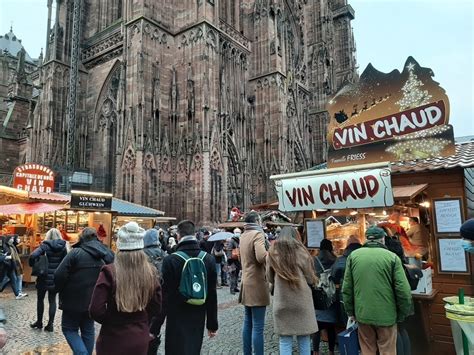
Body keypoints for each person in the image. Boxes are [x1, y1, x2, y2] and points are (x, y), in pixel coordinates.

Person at [89, 222, 162, 354]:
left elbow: (95, 309)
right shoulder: (151, 272)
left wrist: (112, 321)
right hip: (139, 337)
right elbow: (156, 306)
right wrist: (141, 320)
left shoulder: (109, 271)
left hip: (112, 338)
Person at [342, 226, 413, 355]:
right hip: (387, 315)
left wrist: (350, 312)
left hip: (362, 313)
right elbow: (403, 291)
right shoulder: (392, 258)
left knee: (367, 349)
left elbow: (346, 289)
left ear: (367, 239)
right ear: (383, 239)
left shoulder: (353, 256)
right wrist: (402, 313)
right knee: (387, 349)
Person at [159, 220, 218, 355]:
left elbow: (165, 297)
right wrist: (212, 324)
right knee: (193, 348)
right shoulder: (208, 259)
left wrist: (156, 326)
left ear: (178, 236)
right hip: (198, 315)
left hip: (176, 316)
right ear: (195, 234)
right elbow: (211, 293)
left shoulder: (170, 260)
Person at [55, 227, 114, 355]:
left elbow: (59, 275)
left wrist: (60, 289)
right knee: (88, 329)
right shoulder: (106, 254)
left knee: (69, 329)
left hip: (73, 300)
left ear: (82, 238)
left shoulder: (75, 253)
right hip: (95, 300)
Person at [267, 227, 318, 354]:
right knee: (304, 338)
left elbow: (269, 278)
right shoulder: (302, 252)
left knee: (284, 340)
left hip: (282, 302)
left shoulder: (272, 253)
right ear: (296, 237)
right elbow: (310, 279)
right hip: (302, 302)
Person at [239, 211, 270, 355]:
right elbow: (261, 256)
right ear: (257, 221)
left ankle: (247, 353)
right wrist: (273, 252)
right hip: (257, 283)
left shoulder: (243, 235)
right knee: (258, 326)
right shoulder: (258, 234)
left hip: (246, 282)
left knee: (248, 322)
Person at [29, 228, 67, 331]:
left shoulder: (45, 246)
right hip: (55, 278)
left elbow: (33, 255)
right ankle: (50, 324)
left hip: (43, 277)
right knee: (52, 300)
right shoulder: (63, 247)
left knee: (40, 299)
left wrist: (32, 264)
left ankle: (39, 322)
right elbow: (66, 262)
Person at [143, 228, 166, 355]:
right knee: (155, 328)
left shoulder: (142, 254)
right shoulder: (164, 254)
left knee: (143, 326)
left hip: (145, 297)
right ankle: (153, 349)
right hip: (160, 297)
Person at [313, 239, 338, 355]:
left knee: (317, 327)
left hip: (319, 295)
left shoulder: (315, 260)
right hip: (331, 295)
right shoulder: (335, 260)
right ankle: (331, 351)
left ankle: (316, 351)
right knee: (331, 326)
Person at [331, 235, 362, 326]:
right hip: (362, 296)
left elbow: (333, 277)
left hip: (344, 298)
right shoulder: (364, 259)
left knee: (348, 325)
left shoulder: (340, 260)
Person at [226, 228, 241, 295]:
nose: (238, 233)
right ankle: (232, 289)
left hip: (237, 260)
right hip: (232, 260)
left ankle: (235, 287)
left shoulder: (239, 240)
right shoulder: (232, 240)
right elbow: (229, 250)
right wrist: (229, 260)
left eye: (239, 232)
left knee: (237, 275)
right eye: (237, 232)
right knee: (233, 275)